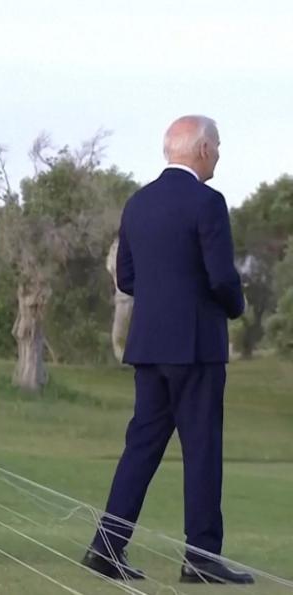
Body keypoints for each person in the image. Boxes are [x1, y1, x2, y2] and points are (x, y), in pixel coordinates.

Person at [83, 115, 254, 585]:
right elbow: (221, 277)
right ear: (200, 150)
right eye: (216, 146)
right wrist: (235, 307)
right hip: (196, 346)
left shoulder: (138, 203)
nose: (218, 153)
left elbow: (127, 278)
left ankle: (106, 546)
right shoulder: (208, 202)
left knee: (141, 447)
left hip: (150, 346)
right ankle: (200, 557)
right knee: (202, 449)